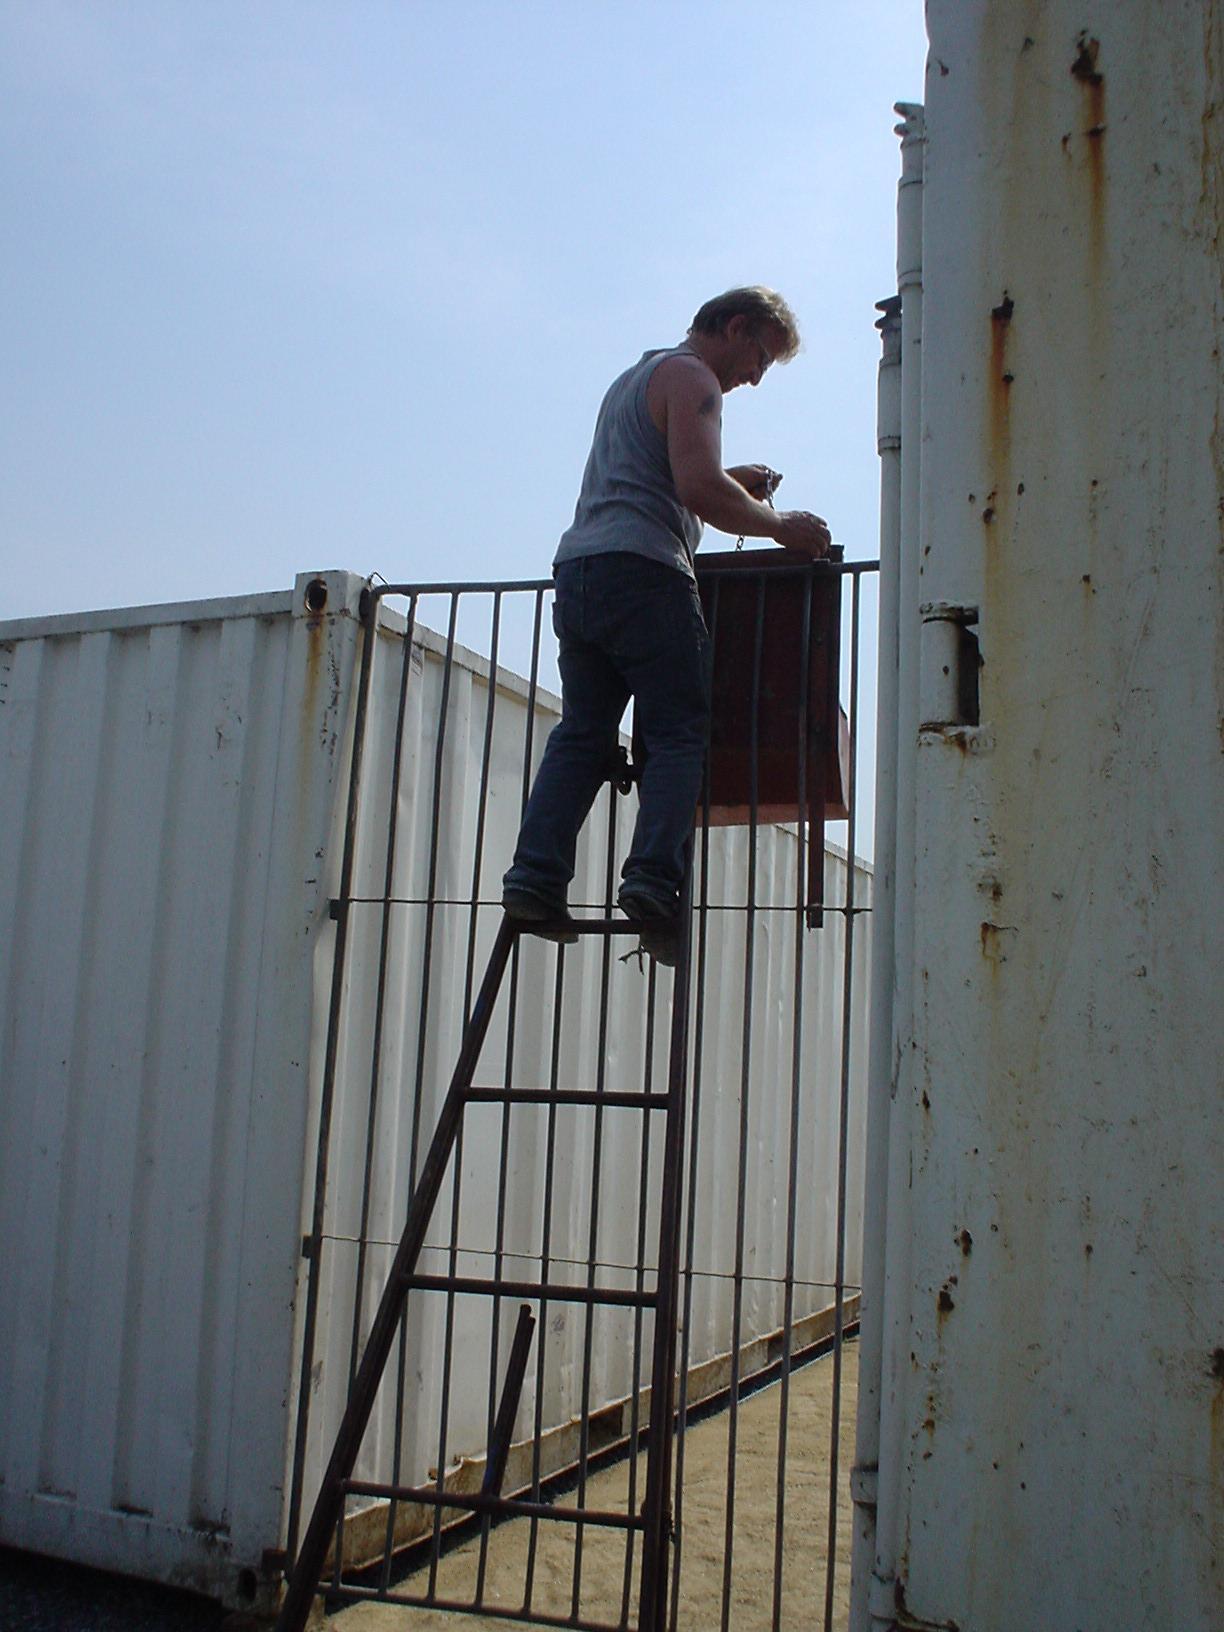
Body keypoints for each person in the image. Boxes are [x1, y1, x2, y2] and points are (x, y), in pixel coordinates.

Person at [501, 286, 831, 959]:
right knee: (678, 732)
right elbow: (697, 488)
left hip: (580, 573)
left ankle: (534, 879)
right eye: (760, 356)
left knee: (583, 732)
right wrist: (781, 528)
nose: (755, 377)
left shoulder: (638, 376)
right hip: (646, 575)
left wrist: (730, 479)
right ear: (735, 327)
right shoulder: (695, 379)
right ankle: (652, 882)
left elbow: (664, 475)